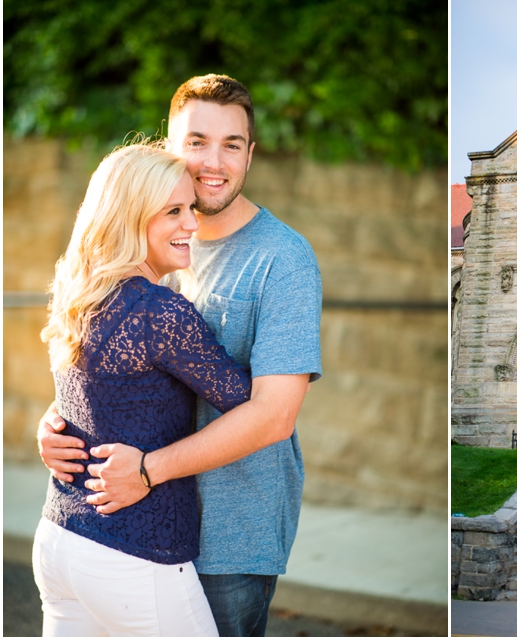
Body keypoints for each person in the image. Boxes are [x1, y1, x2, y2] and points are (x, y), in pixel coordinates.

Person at [37, 74, 322, 637]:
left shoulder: (284, 260)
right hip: (124, 525)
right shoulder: (149, 244)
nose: (213, 162)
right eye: (197, 141)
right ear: (168, 148)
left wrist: (148, 470)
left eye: (231, 144)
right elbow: (101, 359)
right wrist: (60, 422)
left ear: (250, 154)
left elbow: (274, 414)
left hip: (230, 533)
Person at [34, 144, 252, 635]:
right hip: (135, 554)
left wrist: (47, 424)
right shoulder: (159, 312)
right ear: (131, 218)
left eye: (190, 209)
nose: (192, 225)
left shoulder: (80, 292)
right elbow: (247, 404)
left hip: (58, 539)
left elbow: (96, 392)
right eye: (172, 211)